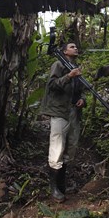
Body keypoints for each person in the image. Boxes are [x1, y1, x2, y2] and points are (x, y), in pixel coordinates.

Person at [42, 42, 86, 202]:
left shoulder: (76, 68)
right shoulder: (59, 64)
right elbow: (52, 85)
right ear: (65, 51)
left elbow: (81, 91)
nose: (76, 48)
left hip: (74, 112)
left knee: (71, 148)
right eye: (72, 46)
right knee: (57, 148)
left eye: (76, 46)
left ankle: (61, 186)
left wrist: (82, 99)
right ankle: (54, 189)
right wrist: (69, 76)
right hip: (60, 112)